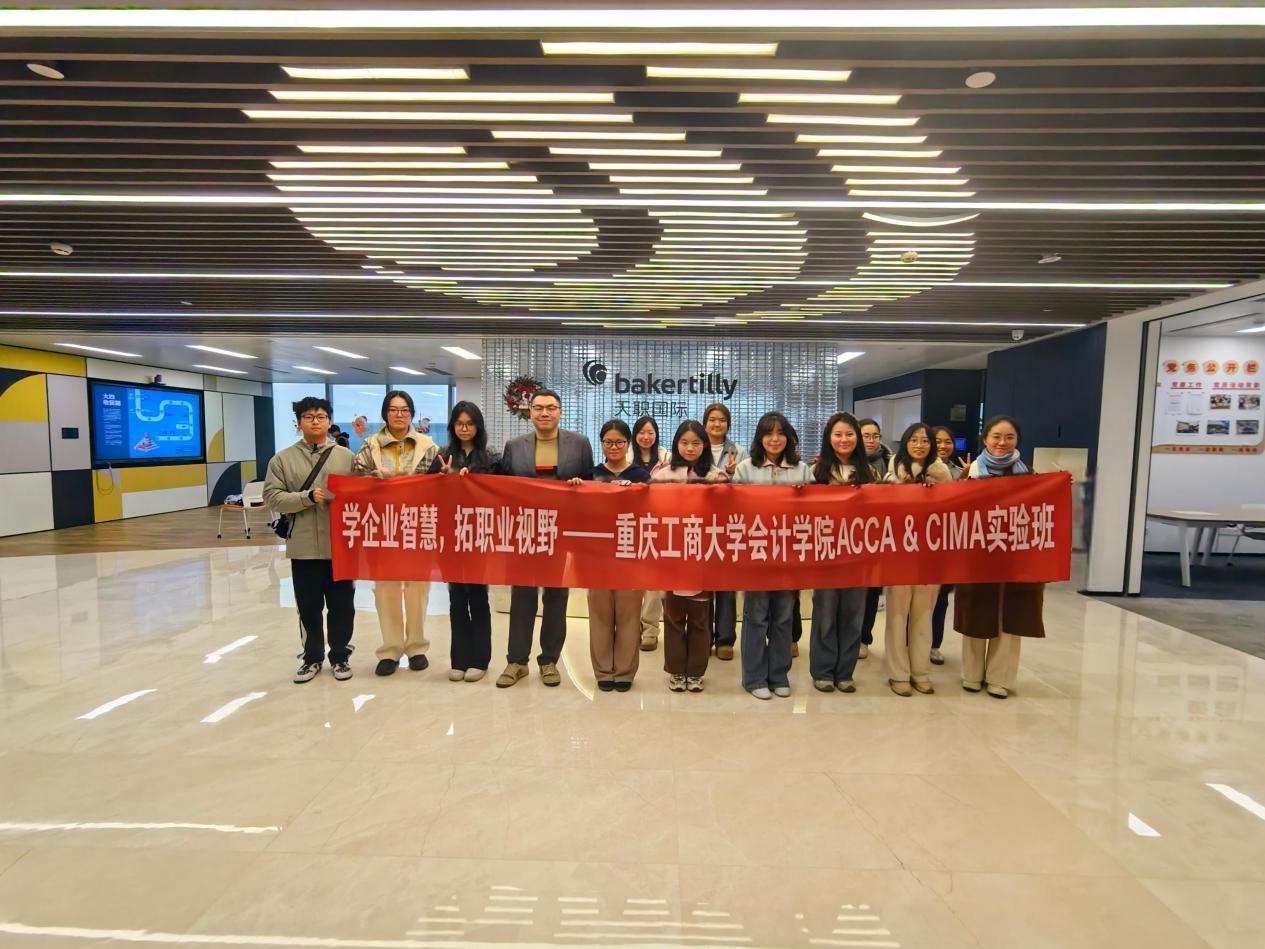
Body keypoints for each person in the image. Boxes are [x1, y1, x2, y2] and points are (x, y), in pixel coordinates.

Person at [495, 388, 594, 689]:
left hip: (561, 532)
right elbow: (502, 487)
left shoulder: (579, 444)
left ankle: (549, 659)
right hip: (524, 532)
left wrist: (579, 485)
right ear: (530, 412)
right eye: (538, 408)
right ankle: (517, 661)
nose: (544, 413)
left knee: (556, 596)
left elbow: (591, 485)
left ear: (560, 412)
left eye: (551, 407)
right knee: (522, 596)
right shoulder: (515, 446)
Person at [263, 396, 357, 684]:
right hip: (303, 548)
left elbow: (361, 494)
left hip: (340, 547)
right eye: (308, 417)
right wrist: (306, 497)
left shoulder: (346, 457)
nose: (315, 422)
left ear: (329, 421)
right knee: (308, 607)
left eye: (321, 417)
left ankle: (340, 656)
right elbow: (272, 496)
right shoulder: (282, 459)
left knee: (343, 606)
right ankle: (312, 657)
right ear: (298, 423)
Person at [955, 415, 1045, 699]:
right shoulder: (970, 473)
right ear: (985, 439)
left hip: (1015, 558)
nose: (1002, 443)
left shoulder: (1029, 475)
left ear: (1017, 441)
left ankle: (1000, 678)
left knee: (1010, 614)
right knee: (976, 611)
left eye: (1009, 437)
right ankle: (971, 674)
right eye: (996, 436)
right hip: (977, 555)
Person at [352, 391, 439, 677]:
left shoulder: (428, 446)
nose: (399, 415)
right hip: (382, 526)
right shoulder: (370, 445)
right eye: (393, 410)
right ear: (385, 414)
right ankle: (390, 650)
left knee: (417, 588)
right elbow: (356, 478)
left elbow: (437, 484)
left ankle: (416, 647)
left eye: (404, 410)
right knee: (385, 589)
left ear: (411, 414)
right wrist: (372, 479)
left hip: (417, 524)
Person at [732, 411, 813, 700]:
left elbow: (818, 511)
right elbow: (733, 511)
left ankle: (779, 675)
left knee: (783, 617)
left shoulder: (802, 470)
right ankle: (754, 678)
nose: (775, 439)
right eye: (769, 433)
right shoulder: (745, 469)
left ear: (789, 437)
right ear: (760, 438)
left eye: (780, 433)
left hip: (789, 556)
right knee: (756, 616)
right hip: (755, 555)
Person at [651, 419, 729, 692]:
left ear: (705, 445)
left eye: (696, 443)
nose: (690, 448)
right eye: (684, 442)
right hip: (671, 557)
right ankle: (675, 670)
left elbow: (727, 514)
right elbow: (648, 511)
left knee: (699, 619)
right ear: (676, 444)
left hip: (702, 557)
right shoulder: (662, 475)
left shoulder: (716, 477)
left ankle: (695, 671)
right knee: (673, 618)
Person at [428, 400, 500, 683]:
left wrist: (474, 480)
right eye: (459, 424)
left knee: (478, 597)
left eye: (470, 424)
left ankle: (480, 660)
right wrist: (444, 479)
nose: (464, 428)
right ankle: (459, 659)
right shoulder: (442, 456)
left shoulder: (491, 458)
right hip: (450, 536)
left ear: (478, 426)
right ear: (452, 427)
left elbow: (502, 494)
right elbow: (427, 493)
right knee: (456, 598)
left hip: (480, 536)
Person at [809, 412, 877, 693]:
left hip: (858, 555)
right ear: (829, 438)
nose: (844, 439)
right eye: (838, 434)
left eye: (849, 434)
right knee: (825, 613)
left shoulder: (869, 472)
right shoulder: (816, 471)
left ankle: (845, 671)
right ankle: (823, 670)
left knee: (853, 614)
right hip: (826, 553)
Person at [883, 423, 953, 696]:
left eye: (925, 440)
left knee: (924, 615)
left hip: (929, 555)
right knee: (897, 616)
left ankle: (921, 672)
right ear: (905, 442)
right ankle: (898, 674)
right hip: (898, 554)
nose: (920, 445)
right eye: (914, 439)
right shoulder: (892, 474)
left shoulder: (942, 475)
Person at [589, 419, 652, 692]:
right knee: (600, 614)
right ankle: (603, 670)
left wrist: (636, 493)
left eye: (619, 442)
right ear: (601, 443)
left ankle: (625, 671)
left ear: (628, 444)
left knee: (629, 614)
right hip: (597, 555)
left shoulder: (641, 476)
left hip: (630, 554)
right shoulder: (591, 475)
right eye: (608, 442)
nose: (613, 447)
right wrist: (576, 488)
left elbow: (652, 511)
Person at [702, 402, 747, 660]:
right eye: (712, 419)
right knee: (704, 584)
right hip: (701, 524)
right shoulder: (696, 447)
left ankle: (725, 639)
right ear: (705, 422)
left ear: (728, 424)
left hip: (730, 525)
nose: (716, 424)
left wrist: (731, 474)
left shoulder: (738, 452)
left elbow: (744, 488)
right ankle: (704, 636)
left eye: (721, 420)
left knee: (727, 584)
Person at [629, 415, 669, 651]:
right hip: (630, 524)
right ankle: (631, 626)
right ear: (635, 435)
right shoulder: (625, 456)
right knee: (632, 579)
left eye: (650, 432)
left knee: (654, 581)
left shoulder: (667, 458)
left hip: (657, 524)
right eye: (642, 432)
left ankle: (651, 629)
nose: (646, 437)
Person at [929, 425, 965, 665]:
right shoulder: (916, 468)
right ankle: (911, 644)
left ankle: (934, 645)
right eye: (937, 441)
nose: (943, 446)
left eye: (948, 441)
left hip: (946, 545)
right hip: (918, 544)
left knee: (941, 598)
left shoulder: (961, 471)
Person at [857, 417, 890, 659]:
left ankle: (863, 638)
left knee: (871, 591)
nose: (871, 440)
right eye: (866, 436)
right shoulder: (846, 461)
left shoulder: (890, 462)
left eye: (875, 436)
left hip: (880, 537)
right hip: (850, 535)